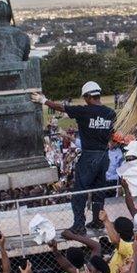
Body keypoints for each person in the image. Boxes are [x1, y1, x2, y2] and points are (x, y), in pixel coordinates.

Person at [32, 80, 116, 232]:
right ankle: (97, 221)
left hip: (89, 156)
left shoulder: (85, 111)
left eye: (85, 98)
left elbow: (61, 107)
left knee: (79, 192)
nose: (84, 100)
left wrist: (43, 100)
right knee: (99, 192)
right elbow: (112, 135)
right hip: (104, 156)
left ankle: (78, 225)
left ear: (89, 96)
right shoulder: (111, 113)